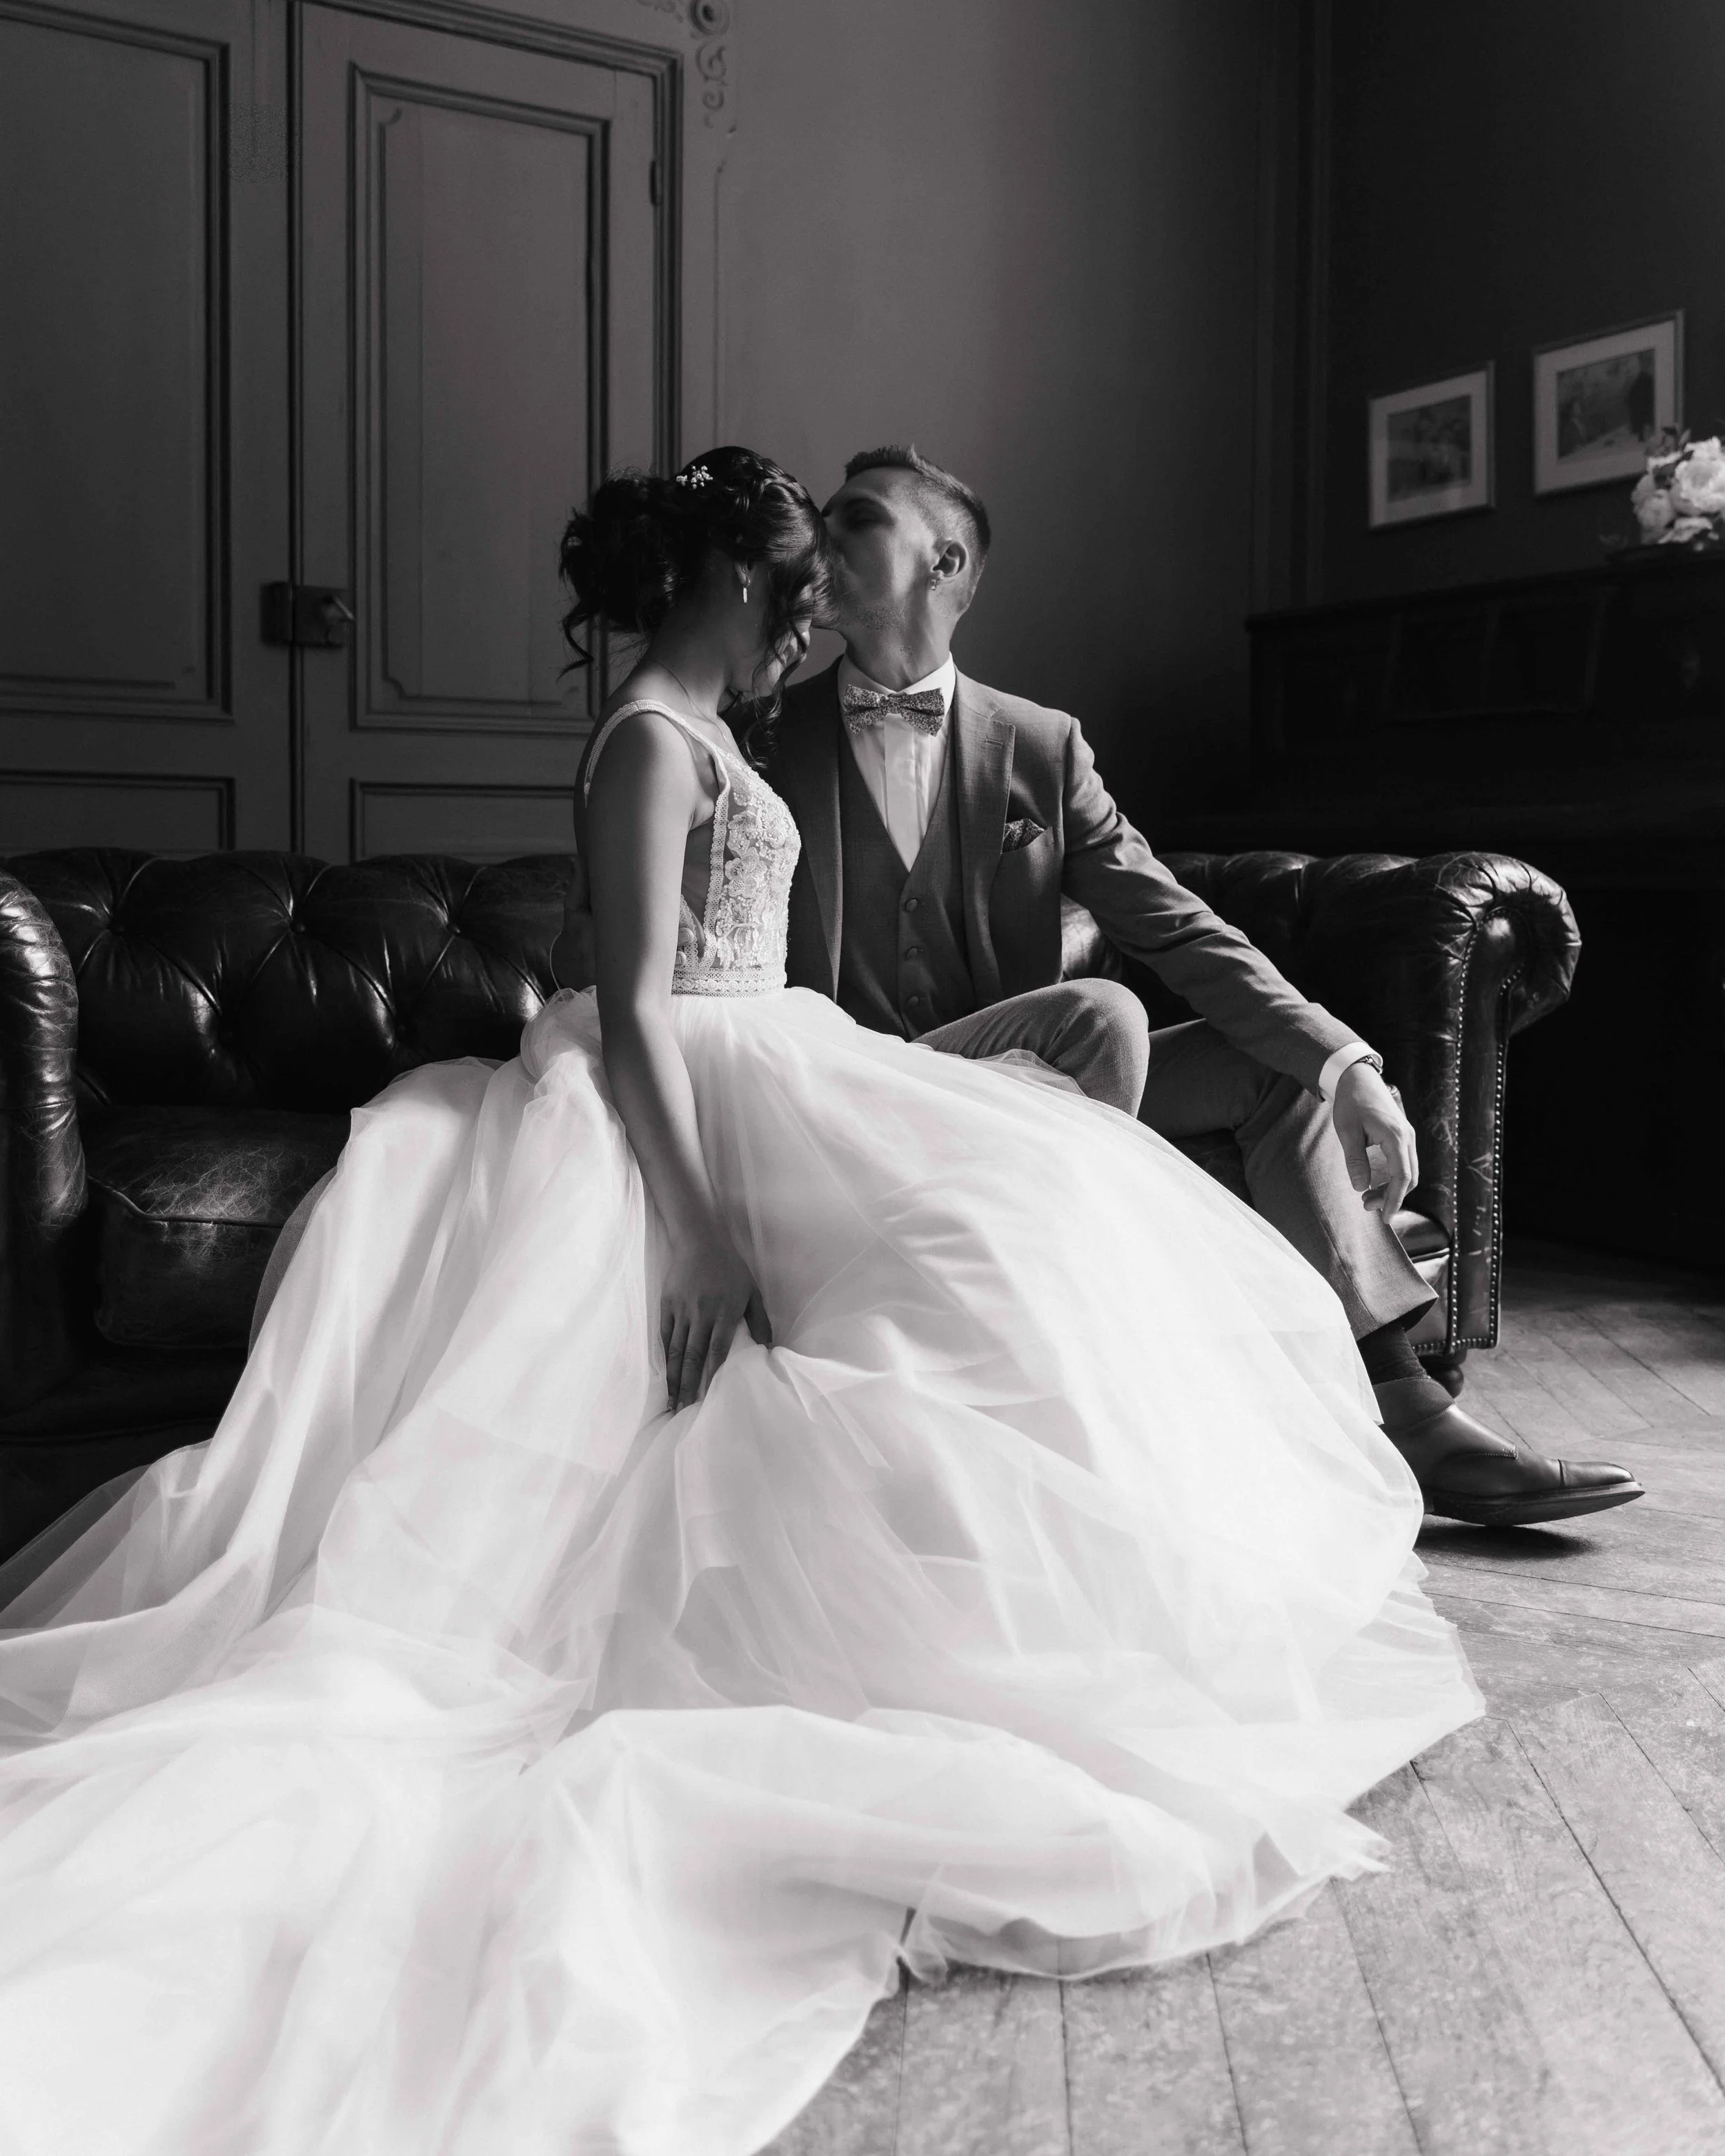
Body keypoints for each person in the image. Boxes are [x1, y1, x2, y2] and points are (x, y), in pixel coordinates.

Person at [0, 447, 1482, 2155]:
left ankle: (1157, 1491)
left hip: (786, 1054)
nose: (809, 602)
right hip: (691, 1072)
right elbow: (633, 1003)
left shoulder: (781, 730)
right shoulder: (656, 735)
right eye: (791, 568)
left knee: (1038, 1188)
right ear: (726, 573)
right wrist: (697, 1233)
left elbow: (1123, 920)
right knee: (972, 1226)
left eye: (835, 563)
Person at [745, 442, 1639, 1532]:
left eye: (858, 519)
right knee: (1104, 1013)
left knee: (1284, 1075)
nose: (819, 537)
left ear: (944, 560)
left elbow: (1180, 927)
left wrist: (1347, 1061)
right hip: (857, 1089)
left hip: (1017, 1091)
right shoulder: (760, 731)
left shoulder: (1039, 745)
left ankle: (1404, 1402)